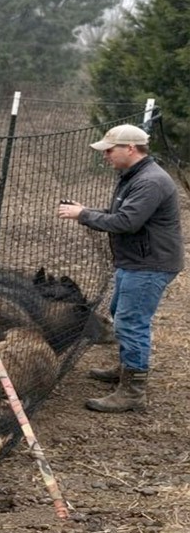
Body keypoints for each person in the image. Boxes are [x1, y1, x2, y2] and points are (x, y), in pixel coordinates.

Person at [56, 124, 183, 413]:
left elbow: (127, 223)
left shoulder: (150, 181)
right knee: (120, 313)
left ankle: (132, 392)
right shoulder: (133, 176)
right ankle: (127, 368)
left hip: (150, 263)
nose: (105, 156)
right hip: (136, 261)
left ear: (130, 149)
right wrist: (87, 211)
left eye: (109, 150)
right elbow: (120, 215)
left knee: (131, 323)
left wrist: (84, 215)